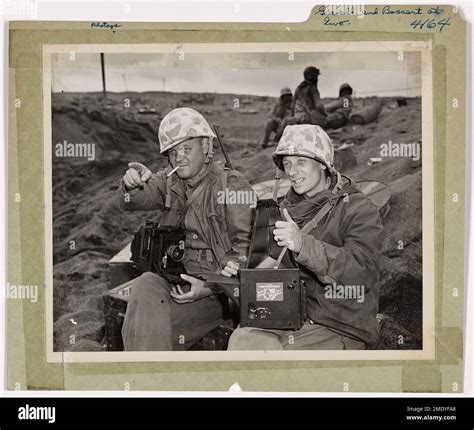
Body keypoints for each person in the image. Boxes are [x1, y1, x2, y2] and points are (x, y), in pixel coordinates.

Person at [228, 124, 384, 350]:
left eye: (301, 162)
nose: (292, 172)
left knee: (283, 365)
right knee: (243, 340)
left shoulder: (359, 208)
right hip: (290, 313)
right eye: (288, 163)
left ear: (323, 164)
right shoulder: (285, 209)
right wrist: (244, 274)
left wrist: (303, 245)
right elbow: (275, 267)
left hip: (340, 324)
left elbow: (363, 272)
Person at [118, 107, 254, 351]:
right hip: (175, 281)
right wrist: (133, 184)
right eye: (173, 152)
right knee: (146, 282)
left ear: (206, 147)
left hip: (217, 293)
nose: (179, 157)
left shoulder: (231, 185)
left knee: (147, 331)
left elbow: (247, 249)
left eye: (186, 149)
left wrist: (209, 287)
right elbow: (131, 202)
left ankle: (144, 378)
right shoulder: (171, 181)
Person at [274, 66, 327, 142]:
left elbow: (293, 105)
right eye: (316, 77)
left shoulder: (299, 88)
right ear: (312, 77)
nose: (317, 79)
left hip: (297, 118)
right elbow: (319, 106)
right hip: (308, 119)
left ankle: (275, 141)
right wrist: (324, 114)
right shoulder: (313, 89)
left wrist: (293, 116)